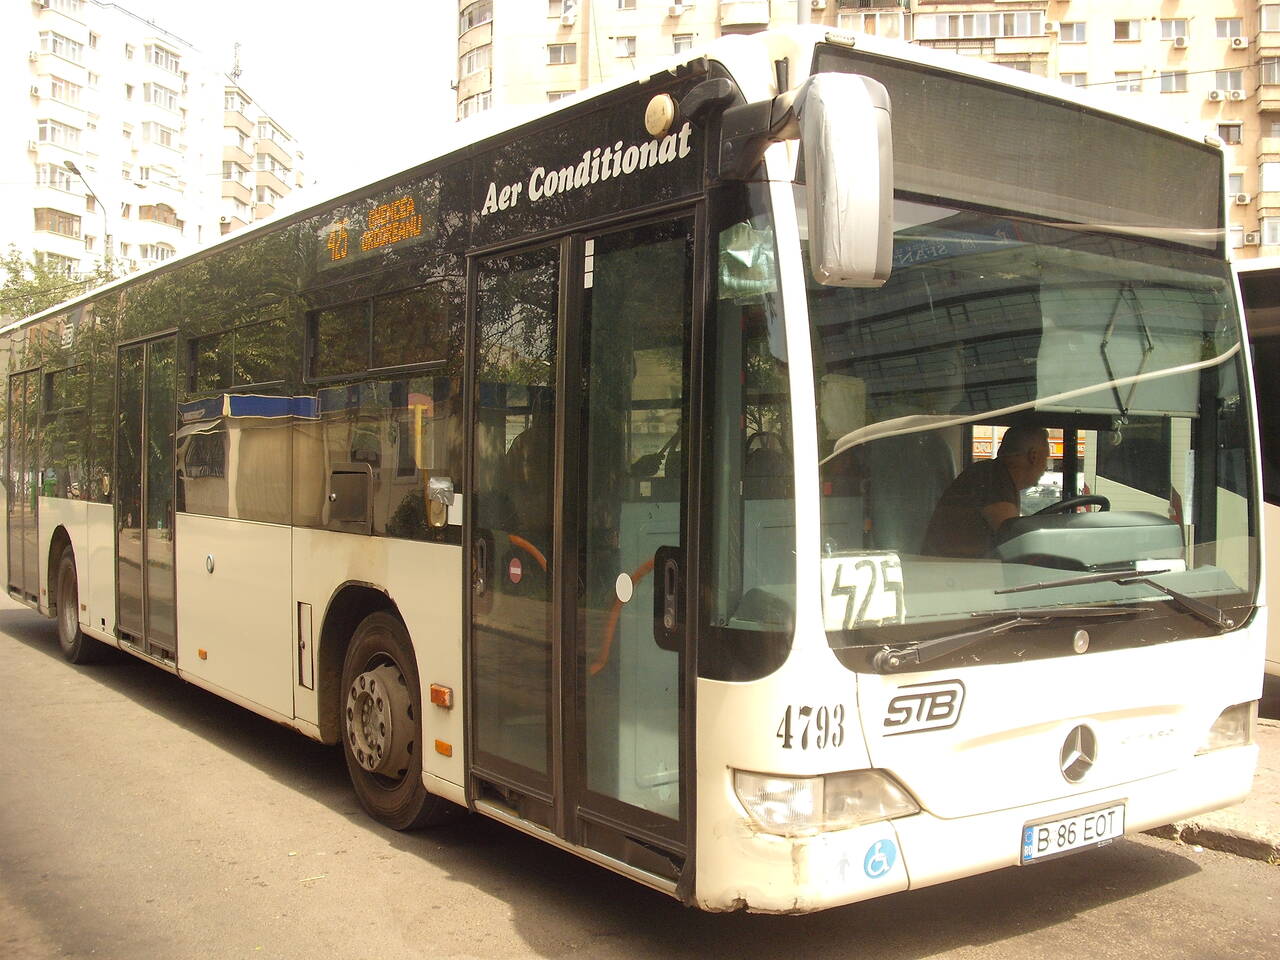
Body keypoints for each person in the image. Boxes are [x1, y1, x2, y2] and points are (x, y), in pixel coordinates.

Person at [921, 425, 1051, 558]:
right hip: (950, 567)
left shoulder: (993, 475)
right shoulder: (993, 478)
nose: (1046, 467)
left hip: (958, 565)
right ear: (1033, 456)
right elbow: (1015, 539)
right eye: (1046, 458)